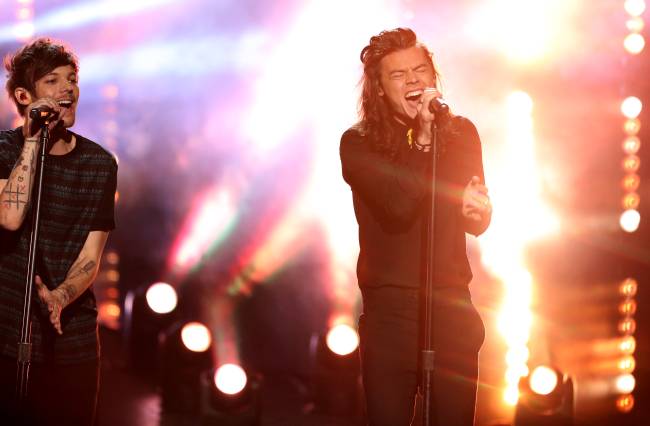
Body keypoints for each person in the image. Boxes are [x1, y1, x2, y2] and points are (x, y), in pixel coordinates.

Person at [340, 28, 492, 426]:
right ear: (377, 89)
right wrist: (423, 139)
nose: (413, 81)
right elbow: (397, 206)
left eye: (420, 70)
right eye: (398, 75)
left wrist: (478, 213)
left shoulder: (461, 134)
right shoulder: (360, 144)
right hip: (391, 316)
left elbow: (474, 216)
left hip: (450, 307)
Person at [0, 38, 117, 425]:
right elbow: (10, 218)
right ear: (23, 95)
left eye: (72, 79)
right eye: (52, 81)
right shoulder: (3, 150)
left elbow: (91, 255)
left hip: (72, 340)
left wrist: (61, 296)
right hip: (6, 329)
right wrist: (32, 140)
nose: (68, 89)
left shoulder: (100, 164)